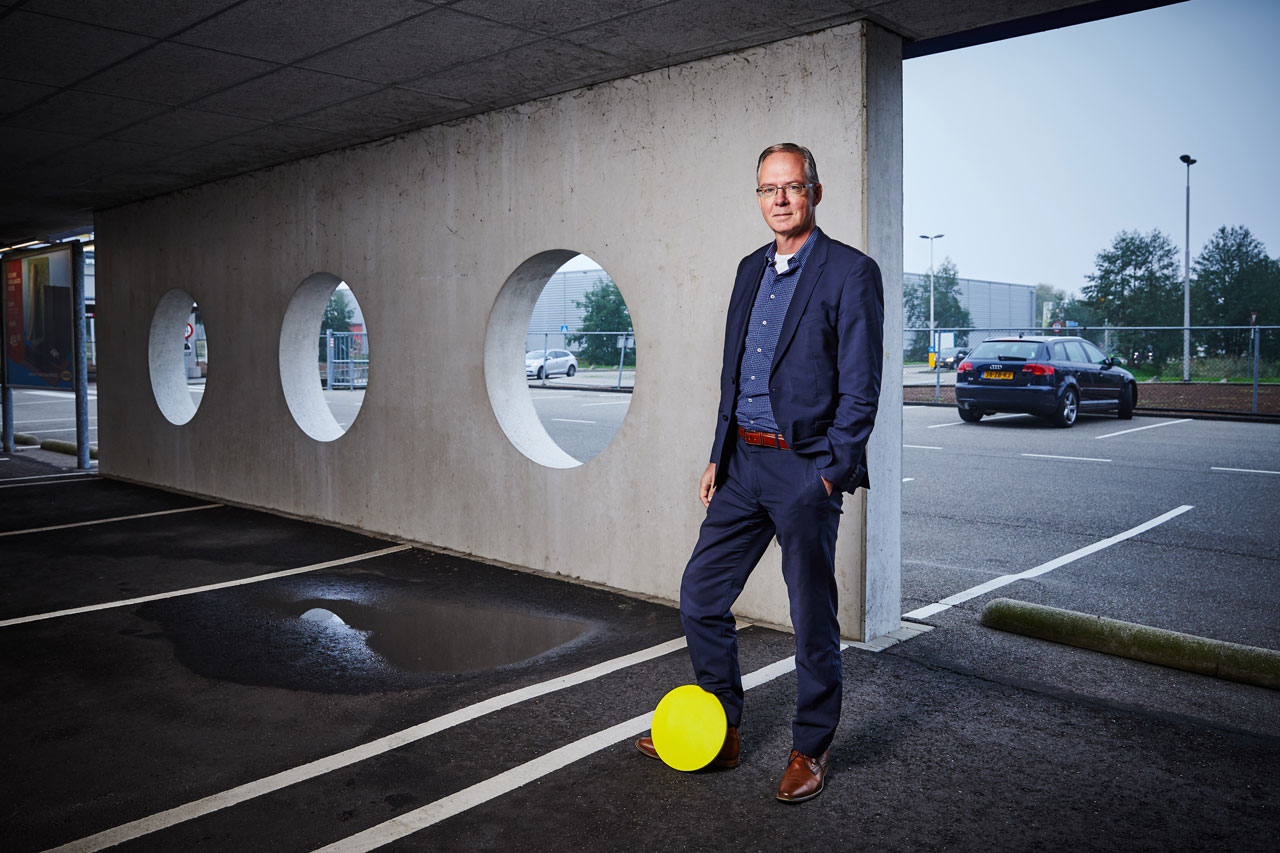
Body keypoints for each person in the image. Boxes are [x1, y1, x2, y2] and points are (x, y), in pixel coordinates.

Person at [636, 143, 884, 803]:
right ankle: (721, 727)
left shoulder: (851, 272)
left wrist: (829, 473)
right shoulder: (750, 268)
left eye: (792, 186)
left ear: (814, 193)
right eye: (768, 189)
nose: (780, 199)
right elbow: (735, 371)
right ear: (758, 197)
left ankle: (811, 746)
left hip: (805, 469)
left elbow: (861, 387)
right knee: (700, 594)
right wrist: (718, 454)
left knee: (811, 617)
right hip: (743, 462)